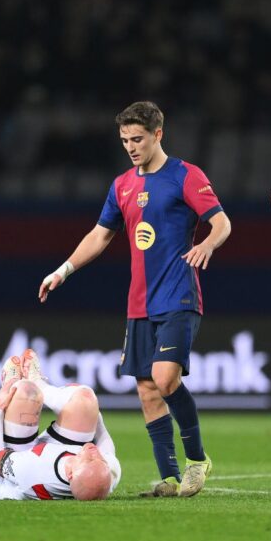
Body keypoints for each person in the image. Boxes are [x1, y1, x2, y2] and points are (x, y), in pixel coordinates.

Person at [39, 100, 231, 498]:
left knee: (164, 378)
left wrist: (208, 244)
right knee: (146, 389)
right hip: (139, 303)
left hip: (178, 295)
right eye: (125, 139)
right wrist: (63, 270)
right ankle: (170, 477)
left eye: (137, 138)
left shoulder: (185, 176)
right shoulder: (122, 185)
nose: (130, 146)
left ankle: (197, 460)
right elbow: (99, 236)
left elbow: (222, 222)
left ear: (158, 134)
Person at [0, 349, 121, 501]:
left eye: (90, 460)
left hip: (17, 459)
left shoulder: (33, 470)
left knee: (25, 392)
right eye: (101, 460)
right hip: (63, 449)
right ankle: (37, 381)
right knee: (86, 400)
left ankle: (13, 386)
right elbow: (104, 442)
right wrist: (93, 412)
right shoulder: (107, 474)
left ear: (70, 474)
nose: (95, 452)